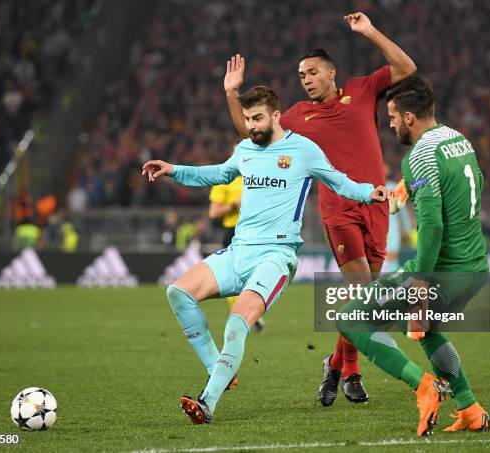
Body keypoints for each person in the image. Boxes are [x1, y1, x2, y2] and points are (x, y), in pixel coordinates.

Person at [142, 86, 390, 424]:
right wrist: (173, 169)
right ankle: (221, 370)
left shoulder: (303, 149)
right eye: (247, 119)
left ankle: (207, 402)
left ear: (275, 116)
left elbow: (339, 182)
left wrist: (368, 192)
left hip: (276, 256)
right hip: (239, 251)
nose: (251, 125)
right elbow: (216, 174)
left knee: (237, 322)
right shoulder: (245, 148)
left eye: (257, 118)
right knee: (178, 293)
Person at [223, 11, 416, 405]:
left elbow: (406, 67)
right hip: (337, 208)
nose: (305, 79)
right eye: (301, 75)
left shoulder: (362, 90)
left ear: (331, 73)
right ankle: (355, 373)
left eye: (311, 72)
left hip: (375, 205)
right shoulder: (295, 116)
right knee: (363, 293)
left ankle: (335, 363)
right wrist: (232, 93)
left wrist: (369, 31)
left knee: (364, 302)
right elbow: (250, 131)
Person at [336, 76, 490, 436]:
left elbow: (433, 227)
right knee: (431, 331)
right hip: (475, 268)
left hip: (441, 272)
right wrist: (414, 187)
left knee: (352, 319)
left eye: (391, 117)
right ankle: (469, 407)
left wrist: (420, 285)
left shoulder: (418, 156)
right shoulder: (458, 139)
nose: (389, 125)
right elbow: (477, 182)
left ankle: (425, 388)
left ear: (408, 117)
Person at [208, 176, 266, 332]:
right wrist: (234, 205)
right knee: (235, 277)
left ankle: (247, 313)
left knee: (255, 274)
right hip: (233, 232)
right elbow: (213, 212)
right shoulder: (224, 180)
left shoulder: (258, 175)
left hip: (255, 230)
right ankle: (243, 314)